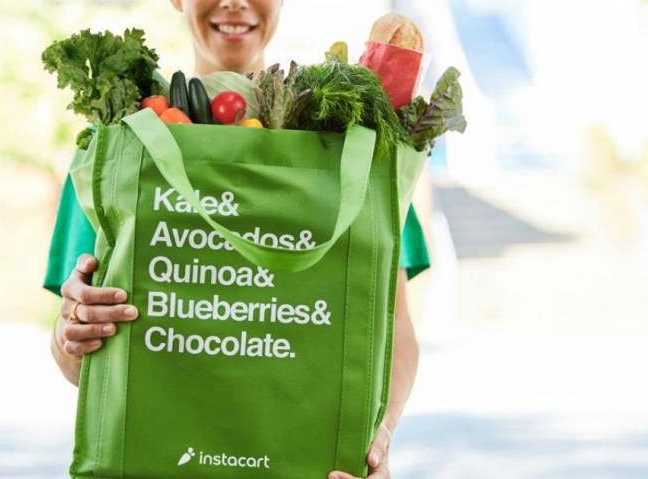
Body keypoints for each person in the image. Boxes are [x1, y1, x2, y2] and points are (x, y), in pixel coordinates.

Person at [45, 1, 430, 478]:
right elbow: (86, 364)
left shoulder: (352, 155)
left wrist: (376, 438)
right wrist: (72, 335)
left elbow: (392, 331)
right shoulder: (122, 146)